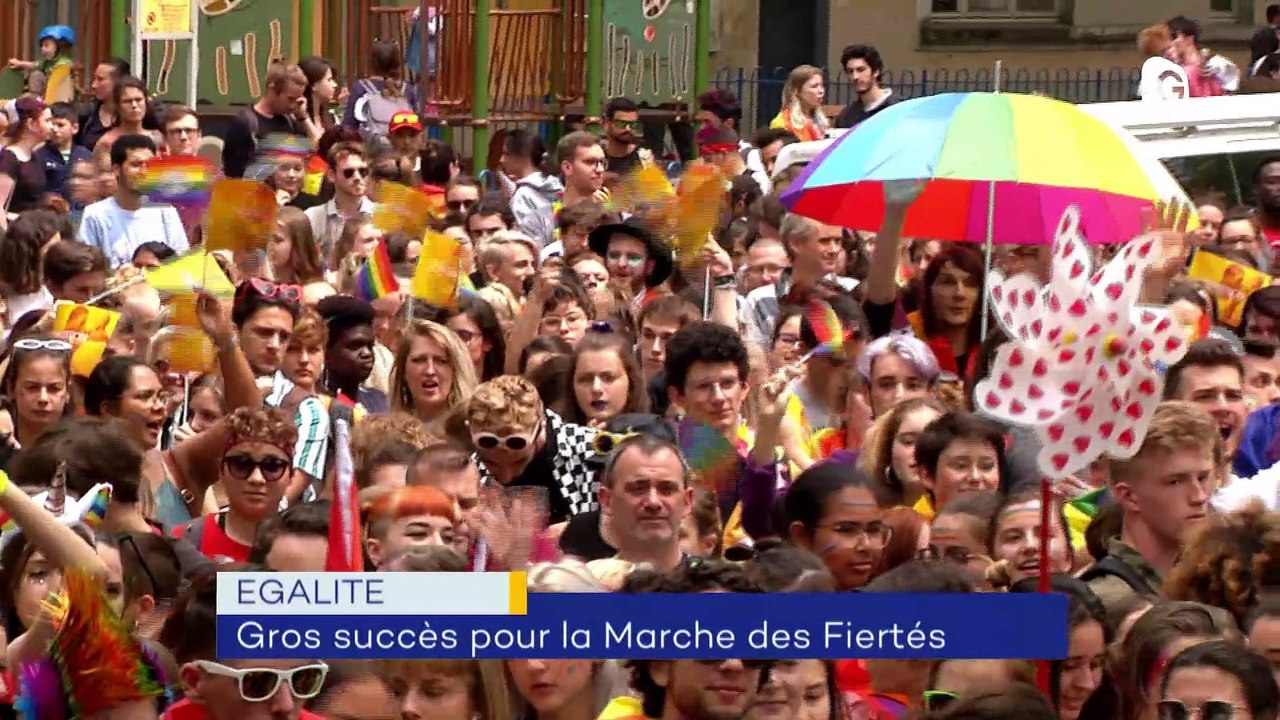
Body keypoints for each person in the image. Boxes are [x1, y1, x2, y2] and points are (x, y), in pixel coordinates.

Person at [1082, 402, 1217, 619]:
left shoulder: (1218, 585)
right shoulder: (1090, 600)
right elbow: (1015, 651)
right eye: (1175, 482)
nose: (1199, 496)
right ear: (1128, 496)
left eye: (1203, 477)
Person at [78, 134, 189, 267]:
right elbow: (87, 266)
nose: (143, 172)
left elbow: (182, 261)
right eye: (136, 165)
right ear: (116, 169)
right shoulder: (95, 215)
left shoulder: (166, 211)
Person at [222, 62, 307, 179]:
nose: (293, 106)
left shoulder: (291, 122)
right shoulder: (246, 124)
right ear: (272, 90)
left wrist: (303, 118)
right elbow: (234, 173)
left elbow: (310, 156)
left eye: (297, 100)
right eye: (290, 99)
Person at [502, 129, 563, 247]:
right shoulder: (558, 187)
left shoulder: (523, 196)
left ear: (521, 155)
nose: (502, 160)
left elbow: (525, 241)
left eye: (506, 154)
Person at [0, 96, 53, 217]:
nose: (52, 127)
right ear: (31, 124)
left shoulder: (34, 155)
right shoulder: (9, 159)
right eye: (47, 121)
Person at [34, 101, 91, 202]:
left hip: (77, 212)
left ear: (75, 128)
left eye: (60, 125)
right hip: (48, 212)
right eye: (51, 124)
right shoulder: (39, 154)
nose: (54, 129)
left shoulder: (86, 155)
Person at [834, 44, 900, 129]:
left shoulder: (898, 108)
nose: (855, 77)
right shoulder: (846, 117)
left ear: (876, 71)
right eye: (850, 71)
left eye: (861, 70)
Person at [769, 65, 828, 142]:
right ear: (796, 91)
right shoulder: (782, 123)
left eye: (822, 85)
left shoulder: (820, 120)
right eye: (814, 86)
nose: (821, 91)